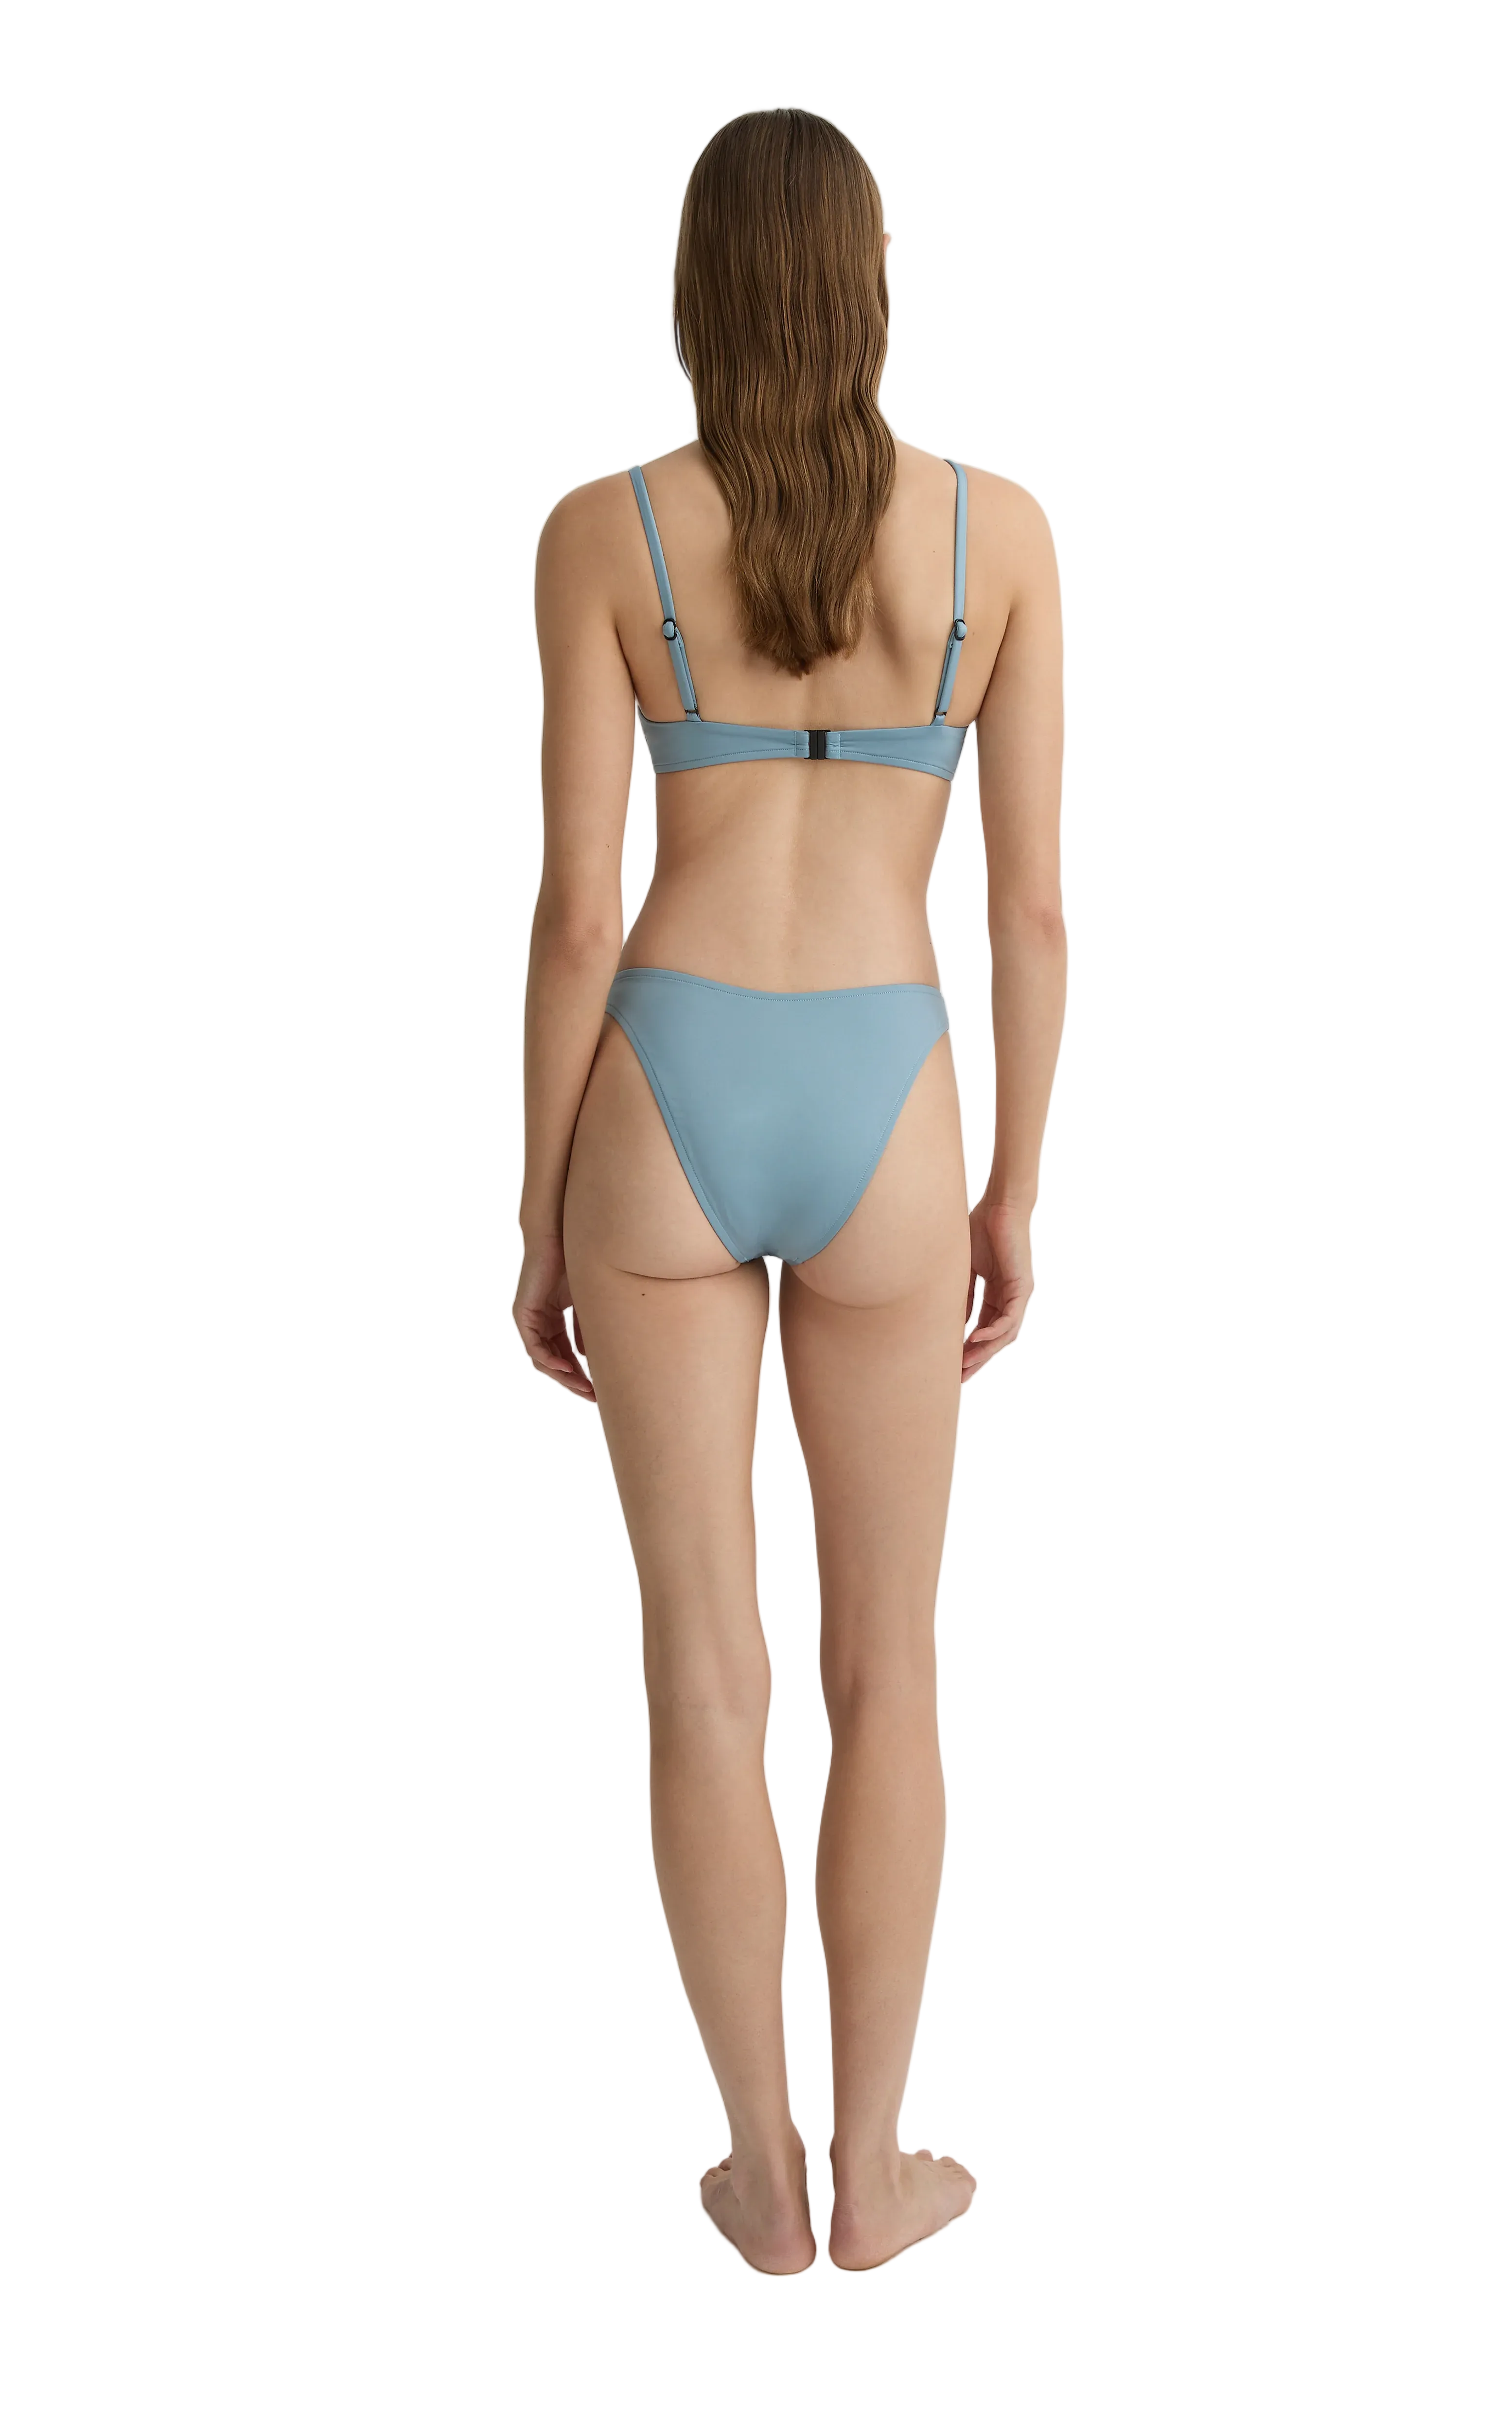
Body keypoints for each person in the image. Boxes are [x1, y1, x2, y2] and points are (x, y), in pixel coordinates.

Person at [513, 108, 1064, 2273]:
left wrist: (537, 1208)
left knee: (704, 1663)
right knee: (889, 1665)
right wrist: (1015, 1184)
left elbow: (579, 913)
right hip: (891, 1104)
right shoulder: (999, 538)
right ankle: (875, 2165)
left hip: (662, 1089)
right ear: (873, 273)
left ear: (698, 289)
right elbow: (1030, 911)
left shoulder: (605, 535)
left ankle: (754, 2163)